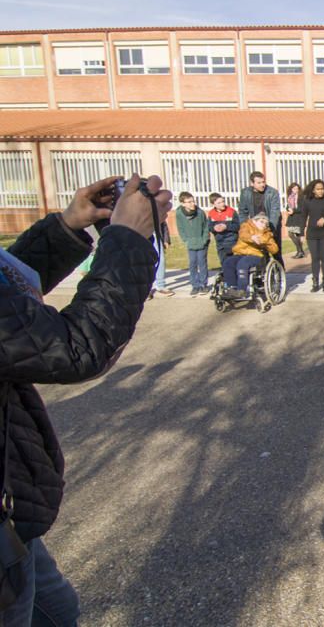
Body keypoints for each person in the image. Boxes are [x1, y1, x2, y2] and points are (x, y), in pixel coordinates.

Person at [0, 174, 171, 626]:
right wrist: (127, 240)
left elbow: (12, 315)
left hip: (12, 514)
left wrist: (66, 228)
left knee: (57, 611)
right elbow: (75, 348)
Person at [222, 212, 279, 298]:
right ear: (254, 221)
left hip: (256, 256)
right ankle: (231, 288)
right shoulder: (246, 226)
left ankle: (242, 290)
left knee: (243, 263)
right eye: (261, 221)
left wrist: (266, 242)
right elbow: (243, 235)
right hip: (240, 253)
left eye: (266, 223)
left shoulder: (267, 234)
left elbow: (275, 250)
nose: (264, 224)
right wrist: (252, 238)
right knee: (228, 262)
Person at [299, 179, 324, 293]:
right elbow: (303, 217)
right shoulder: (307, 201)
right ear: (313, 190)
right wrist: (301, 233)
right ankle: (315, 283)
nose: (320, 191)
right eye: (318, 189)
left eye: (322, 189)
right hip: (312, 234)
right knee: (315, 259)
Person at [238, 171, 283, 266]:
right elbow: (243, 211)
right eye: (259, 183)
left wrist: (269, 227)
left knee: (276, 251)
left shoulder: (272, 192)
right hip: (254, 226)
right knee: (256, 251)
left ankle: (280, 273)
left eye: (263, 182)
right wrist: (244, 226)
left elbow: (275, 212)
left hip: (270, 225)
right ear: (252, 183)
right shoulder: (245, 193)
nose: (262, 184)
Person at [174, 191, 210, 296]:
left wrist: (204, 240)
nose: (192, 203)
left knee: (202, 263)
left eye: (193, 201)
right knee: (192, 263)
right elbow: (180, 228)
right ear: (182, 203)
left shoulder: (200, 212)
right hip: (190, 242)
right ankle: (195, 285)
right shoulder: (179, 213)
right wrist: (186, 240)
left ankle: (204, 284)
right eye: (189, 202)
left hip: (201, 241)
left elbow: (206, 227)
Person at [207, 192, 240, 267]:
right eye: (219, 203)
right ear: (213, 204)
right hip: (220, 242)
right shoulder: (211, 213)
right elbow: (209, 226)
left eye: (223, 201)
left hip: (232, 241)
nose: (222, 204)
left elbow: (237, 226)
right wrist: (214, 228)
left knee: (233, 263)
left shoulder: (231, 211)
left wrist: (226, 226)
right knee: (223, 263)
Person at [150, 218, 174, 298]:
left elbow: (163, 224)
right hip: (143, 236)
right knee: (145, 263)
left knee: (161, 260)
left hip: (156, 235)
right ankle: (147, 289)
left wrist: (166, 240)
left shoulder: (155, 208)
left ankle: (160, 285)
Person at [285, 183, 306, 259]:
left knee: (293, 234)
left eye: (297, 189)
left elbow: (302, 209)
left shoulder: (301, 197)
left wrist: (293, 210)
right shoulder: (290, 197)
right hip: (291, 217)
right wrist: (288, 210)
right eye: (294, 189)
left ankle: (300, 252)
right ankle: (300, 251)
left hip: (298, 217)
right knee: (292, 234)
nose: (295, 190)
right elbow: (287, 206)